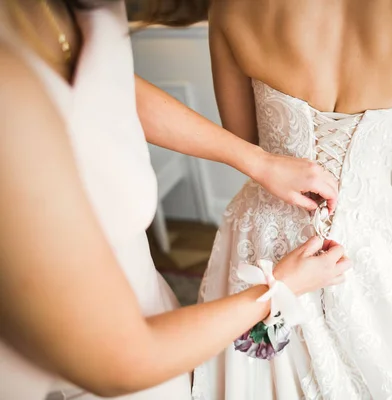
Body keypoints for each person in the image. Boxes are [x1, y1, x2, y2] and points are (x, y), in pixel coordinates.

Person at [0, 1, 350, 399]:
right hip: (90, 365)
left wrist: (260, 162)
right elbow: (120, 359)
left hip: (149, 305)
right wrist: (278, 290)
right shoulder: (9, 92)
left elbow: (112, 85)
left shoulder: (80, 9)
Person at [193, 0, 392, 398]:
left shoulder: (232, 7)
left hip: (265, 237)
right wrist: (378, 151)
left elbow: (244, 142)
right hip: (372, 231)